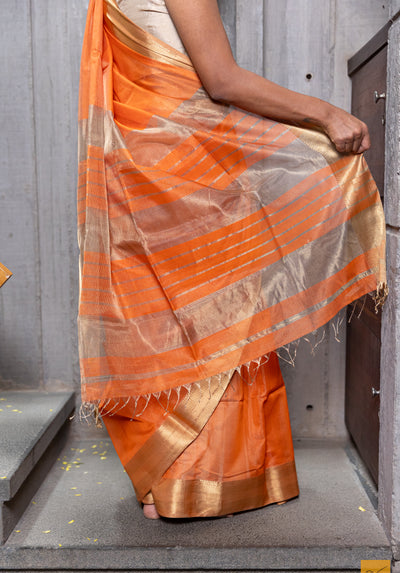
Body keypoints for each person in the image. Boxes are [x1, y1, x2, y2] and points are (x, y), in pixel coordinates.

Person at [77, 0, 387, 520]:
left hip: (136, 160)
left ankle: (167, 480)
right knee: (220, 317)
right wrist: (326, 113)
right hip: (183, 164)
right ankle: (205, 480)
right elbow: (221, 80)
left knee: (166, 324)